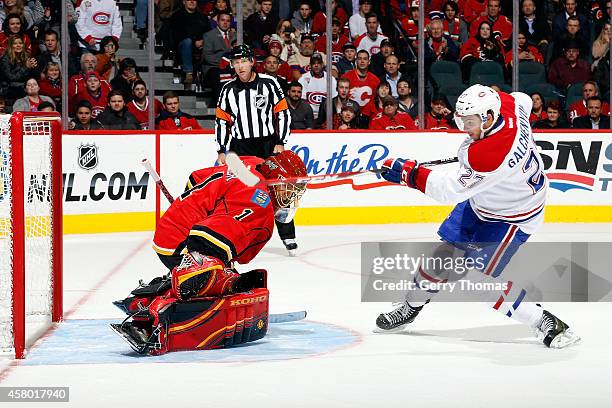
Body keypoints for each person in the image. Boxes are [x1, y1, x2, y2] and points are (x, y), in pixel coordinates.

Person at [375, 84, 580, 349]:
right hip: (485, 200)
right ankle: (410, 306)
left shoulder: (488, 155)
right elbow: (523, 99)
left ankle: (545, 321)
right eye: (462, 121)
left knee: (477, 282)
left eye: (470, 122)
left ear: (489, 117)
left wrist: (409, 174)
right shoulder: (508, 105)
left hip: (512, 216)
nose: (465, 128)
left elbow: (448, 190)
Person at [111, 151, 308, 355]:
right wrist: (216, 273)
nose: (293, 196)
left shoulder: (253, 164)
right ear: (276, 180)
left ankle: (152, 294)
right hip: (180, 243)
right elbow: (205, 240)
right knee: (215, 276)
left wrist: (187, 210)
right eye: (290, 189)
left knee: (221, 270)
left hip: (171, 229)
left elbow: (197, 177)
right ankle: (157, 311)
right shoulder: (260, 204)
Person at [215, 44, 298, 256]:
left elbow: (283, 113)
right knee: (239, 193)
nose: (240, 66)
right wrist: (222, 150)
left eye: (243, 61)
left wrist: (281, 141)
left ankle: (288, 236)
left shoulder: (270, 84)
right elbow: (222, 122)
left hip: (267, 145)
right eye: (236, 62)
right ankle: (238, 239)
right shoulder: (227, 90)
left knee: (278, 191)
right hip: (239, 148)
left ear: (252, 62)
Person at [202, 11, 235, 99]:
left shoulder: (235, 36)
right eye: (222, 20)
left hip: (233, 68)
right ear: (217, 21)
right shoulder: (209, 35)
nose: (225, 23)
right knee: (222, 76)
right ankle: (222, 104)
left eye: (227, 21)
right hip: (213, 68)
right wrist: (225, 61)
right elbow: (208, 57)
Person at [298, 52, 337, 120]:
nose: (316, 65)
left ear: (322, 64)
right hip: (308, 116)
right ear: (310, 65)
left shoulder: (330, 79)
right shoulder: (303, 78)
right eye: (313, 63)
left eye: (318, 63)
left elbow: (334, 99)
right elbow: (302, 100)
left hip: (325, 116)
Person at [0, 36, 37, 100]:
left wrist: (33, 67)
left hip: (23, 86)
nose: (18, 45)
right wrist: (26, 67)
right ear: (10, 46)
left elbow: (32, 75)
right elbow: (11, 78)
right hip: (9, 88)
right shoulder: (5, 59)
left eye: (20, 43)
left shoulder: (26, 55)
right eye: (15, 43)